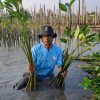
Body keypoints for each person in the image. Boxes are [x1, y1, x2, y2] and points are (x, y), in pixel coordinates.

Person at [14, 25, 66, 90]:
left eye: (49, 36)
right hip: (35, 76)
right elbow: (30, 65)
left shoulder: (58, 50)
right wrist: (30, 68)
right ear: (41, 38)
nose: (46, 38)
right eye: (44, 36)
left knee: (59, 88)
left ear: (53, 37)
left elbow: (59, 66)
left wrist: (62, 72)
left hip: (49, 77)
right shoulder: (35, 49)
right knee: (18, 88)